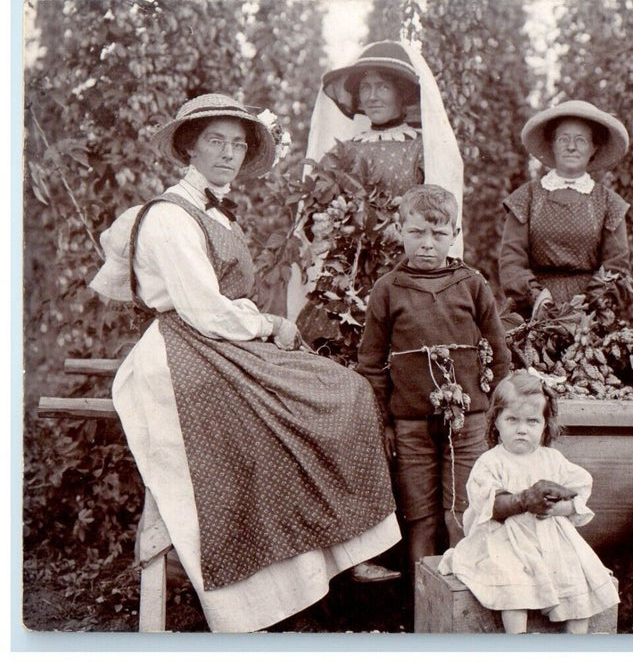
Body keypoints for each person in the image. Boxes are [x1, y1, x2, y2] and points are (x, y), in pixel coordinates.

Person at [87, 93, 402, 633]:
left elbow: (217, 309)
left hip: (213, 342)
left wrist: (258, 326)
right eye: (216, 141)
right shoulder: (169, 218)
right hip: (181, 353)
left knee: (341, 389)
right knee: (285, 408)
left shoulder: (212, 209)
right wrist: (268, 324)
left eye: (238, 144)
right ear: (189, 146)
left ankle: (344, 549)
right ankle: (280, 586)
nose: (229, 154)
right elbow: (204, 308)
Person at [356, 184, 512, 570]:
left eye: (439, 234)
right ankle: (422, 613)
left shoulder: (472, 284)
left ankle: (463, 604)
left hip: (470, 421)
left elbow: (500, 355)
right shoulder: (387, 290)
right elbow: (371, 365)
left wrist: (494, 415)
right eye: (416, 233)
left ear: (455, 236)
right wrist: (384, 424)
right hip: (410, 424)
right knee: (420, 517)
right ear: (399, 229)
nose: (427, 244)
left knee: (462, 511)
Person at [289, 40, 464, 340]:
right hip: (347, 273)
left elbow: (439, 215)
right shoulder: (344, 152)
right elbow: (313, 213)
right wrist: (323, 224)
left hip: (405, 270)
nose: (372, 96)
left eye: (382, 87)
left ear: (401, 92)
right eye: (365, 87)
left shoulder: (421, 149)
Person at [438, 371, 620, 634]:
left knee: (576, 579)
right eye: (512, 419)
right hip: (504, 539)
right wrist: (524, 500)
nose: (522, 429)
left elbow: (580, 490)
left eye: (532, 421)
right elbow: (492, 506)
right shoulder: (491, 462)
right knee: (512, 581)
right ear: (496, 422)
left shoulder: (552, 459)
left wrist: (560, 507)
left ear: (545, 425)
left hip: (551, 539)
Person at [498, 100, 631, 321]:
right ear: (552, 144)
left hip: (590, 315)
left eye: (581, 140)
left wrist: (589, 304)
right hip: (532, 311)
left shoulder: (610, 203)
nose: (571, 147)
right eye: (563, 139)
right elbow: (511, 260)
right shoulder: (526, 197)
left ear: (594, 147)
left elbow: (616, 265)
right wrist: (536, 297)